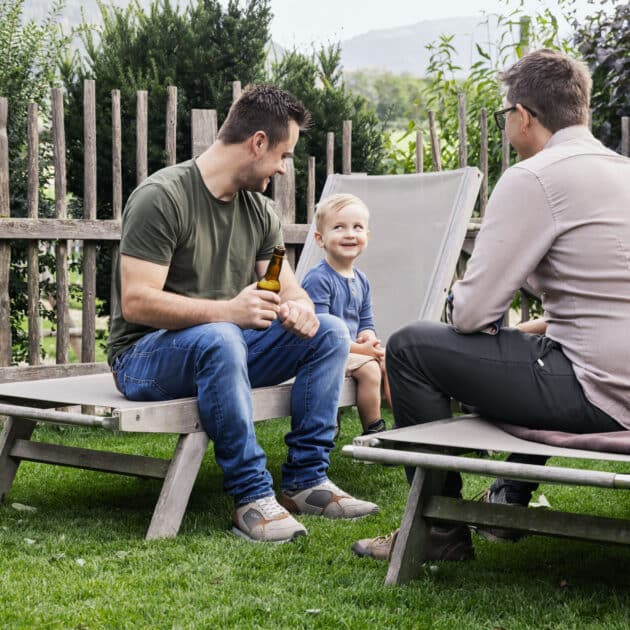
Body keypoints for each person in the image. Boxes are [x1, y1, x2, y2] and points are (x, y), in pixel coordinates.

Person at [352, 49, 630, 561]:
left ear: (523, 115)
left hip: (597, 393)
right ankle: (509, 494)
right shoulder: (623, 171)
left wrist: (472, 303)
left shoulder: (534, 177)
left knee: (413, 346)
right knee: (530, 349)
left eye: (506, 114)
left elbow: (472, 315)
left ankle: (438, 532)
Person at [107, 84, 378, 545]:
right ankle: (252, 496)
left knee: (330, 332)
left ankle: (306, 480)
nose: (283, 168)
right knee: (221, 335)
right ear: (257, 143)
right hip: (144, 358)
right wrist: (229, 311)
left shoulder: (260, 211)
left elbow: (290, 289)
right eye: (284, 155)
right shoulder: (163, 197)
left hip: (223, 349)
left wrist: (302, 312)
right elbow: (137, 301)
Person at [302, 193, 390, 436]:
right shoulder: (319, 279)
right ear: (320, 239)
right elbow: (320, 332)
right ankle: (373, 431)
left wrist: (367, 338)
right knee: (371, 368)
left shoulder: (361, 280)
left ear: (367, 236)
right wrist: (365, 352)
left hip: (352, 350)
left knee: (390, 363)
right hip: (324, 353)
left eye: (357, 227)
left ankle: (408, 426)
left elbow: (365, 320)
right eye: (339, 227)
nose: (350, 233)